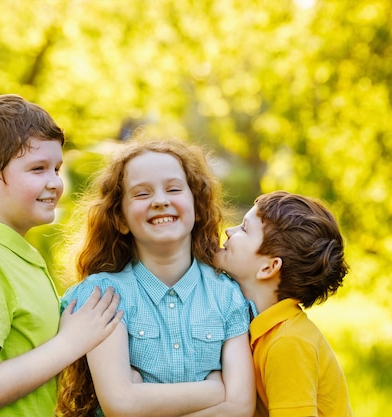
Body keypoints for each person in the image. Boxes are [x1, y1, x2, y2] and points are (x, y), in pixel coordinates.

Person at [0, 94, 123, 417]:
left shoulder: (17, 254)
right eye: (38, 169)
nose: (54, 182)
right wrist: (71, 342)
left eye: (57, 168)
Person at [56, 138, 255, 417]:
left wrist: (141, 397)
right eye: (141, 194)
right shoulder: (104, 296)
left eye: (173, 189)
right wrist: (216, 390)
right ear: (121, 220)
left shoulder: (227, 295)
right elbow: (121, 404)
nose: (161, 201)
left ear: (197, 207)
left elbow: (240, 407)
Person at [215, 190, 353, 417]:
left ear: (268, 268)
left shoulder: (288, 342)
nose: (229, 232)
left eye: (244, 229)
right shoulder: (259, 328)